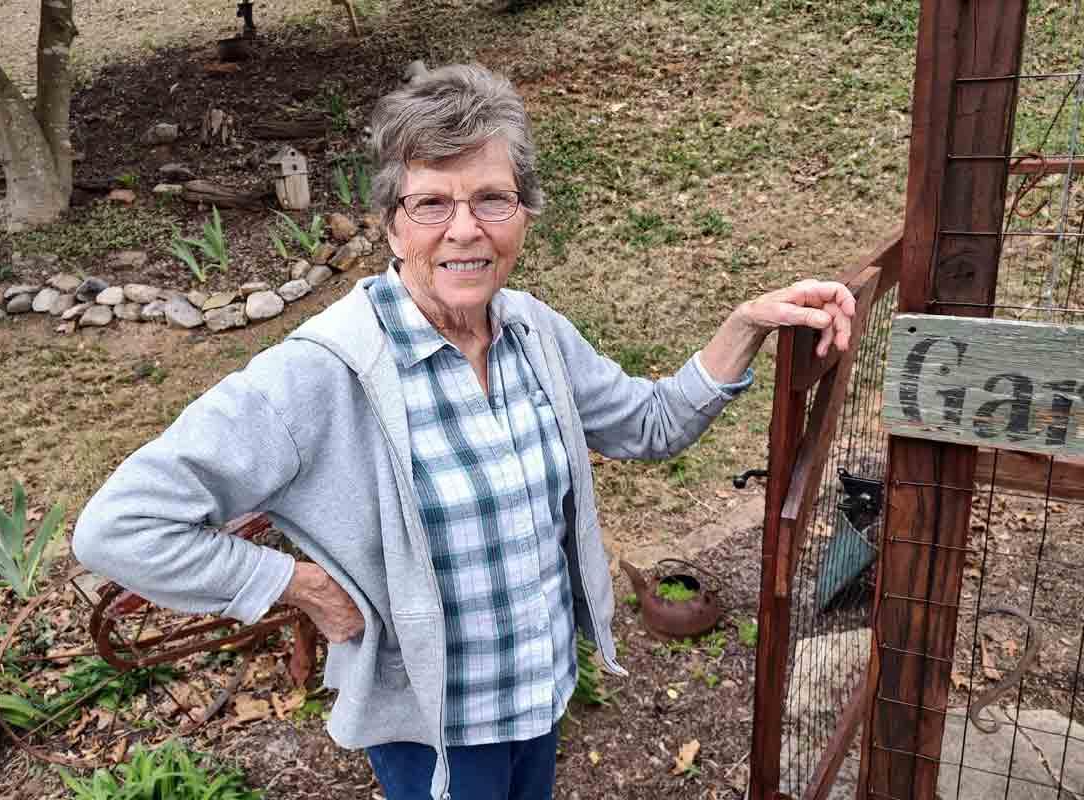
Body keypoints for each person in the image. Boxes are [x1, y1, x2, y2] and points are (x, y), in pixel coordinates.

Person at [72, 63, 855, 800]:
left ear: (524, 214)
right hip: (434, 737)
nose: (465, 229)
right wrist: (298, 586)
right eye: (431, 203)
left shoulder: (533, 333)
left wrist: (745, 324)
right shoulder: (321, 373)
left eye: (492, 199)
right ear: (390, 226)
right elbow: (119, 526)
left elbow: (648, 425)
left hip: (540, 696)